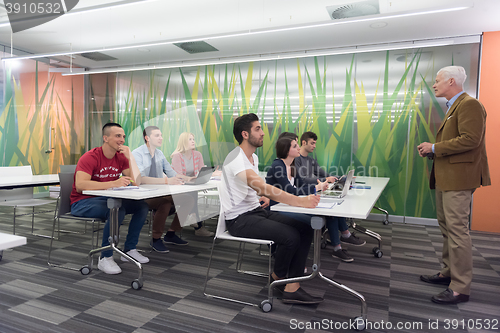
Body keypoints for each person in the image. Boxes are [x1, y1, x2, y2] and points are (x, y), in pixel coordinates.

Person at [220, 113, 323, 305]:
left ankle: (284, 281)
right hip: (239, 220)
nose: (263, 133)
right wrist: (300, 202)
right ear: (245, 134)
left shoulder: (252, 158)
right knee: (290, 237)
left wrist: (261, 196)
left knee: (307, 227)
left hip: (256, 211)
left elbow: (253, 187)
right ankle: (282, 280)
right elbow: (263, 186)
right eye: (258, 129)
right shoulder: (235, 159)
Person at [417, 66, 490, 305]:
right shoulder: (453, 107)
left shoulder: (470, 104)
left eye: (437, 81)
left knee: (458, 232)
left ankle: (460, 287)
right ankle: (448, 273)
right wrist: (433, 151)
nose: (434, 85)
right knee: (447, 228)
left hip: (459, 179)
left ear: (451, 81)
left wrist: (435, 147)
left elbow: (471, 139)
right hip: (447, 178)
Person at [266, 133, 365, 262]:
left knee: (327, 213)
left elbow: (300, 184)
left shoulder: (292, 165)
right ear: (286, 149)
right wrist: (316, 188)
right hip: (277, 208)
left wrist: (334, 180)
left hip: (290, 204)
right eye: (295, 146)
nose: (298, 149)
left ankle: (335, 247)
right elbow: (291, 190)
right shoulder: (278, 166)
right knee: (312, 222)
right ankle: (294, 258)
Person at [70, 122, 149, 275]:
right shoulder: (91, 157)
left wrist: (130, 157)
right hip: (82, 202)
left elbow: (136, 181)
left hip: (104, 199)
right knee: (117, 210)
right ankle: (105, 258)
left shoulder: (121, 157)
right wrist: (113, 183)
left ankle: (130, 249)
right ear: (105, 138)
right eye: (118, 136)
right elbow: (80, 185)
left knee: (142, 206)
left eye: (123, 136)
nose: (122, 140)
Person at [294, 131, 366, 260]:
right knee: (332, 212)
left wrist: (340, 178)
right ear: (303, 142)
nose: (314, 146)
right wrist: (323, 180)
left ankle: (344, 237)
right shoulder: (296, 160)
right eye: (312, 143)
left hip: (315, 190)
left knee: (335, 208)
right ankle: (342, 240)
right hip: (304, 194)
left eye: (315, 143)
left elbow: (324, 174)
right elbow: (302, 180)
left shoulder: (310, 160)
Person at [132, 126, 197, 253]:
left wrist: (188, 178)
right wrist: (167, 181)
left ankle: (171, 234)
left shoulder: (159, 154)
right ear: (147, 138)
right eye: (157, 135)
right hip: (141, 194)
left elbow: (172, 173)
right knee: (165, 203)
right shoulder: (137, 154)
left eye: (161, 135)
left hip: (159, 191)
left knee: (188, 200)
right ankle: (156, 239)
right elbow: (140, 179)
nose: (161, 138)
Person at [170, 132, 216, 237]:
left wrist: (213, 172)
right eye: (190, 139)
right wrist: (190, 179)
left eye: (193, 139)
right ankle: (197, 225)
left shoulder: (197, 154)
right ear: (184, 141)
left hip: (191, 184)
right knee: (192, 192)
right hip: (179, 184)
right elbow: (178, 175)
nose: (193, 141)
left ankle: (193, 219)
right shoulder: (177, 156)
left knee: (193, 191)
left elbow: (201, 171)